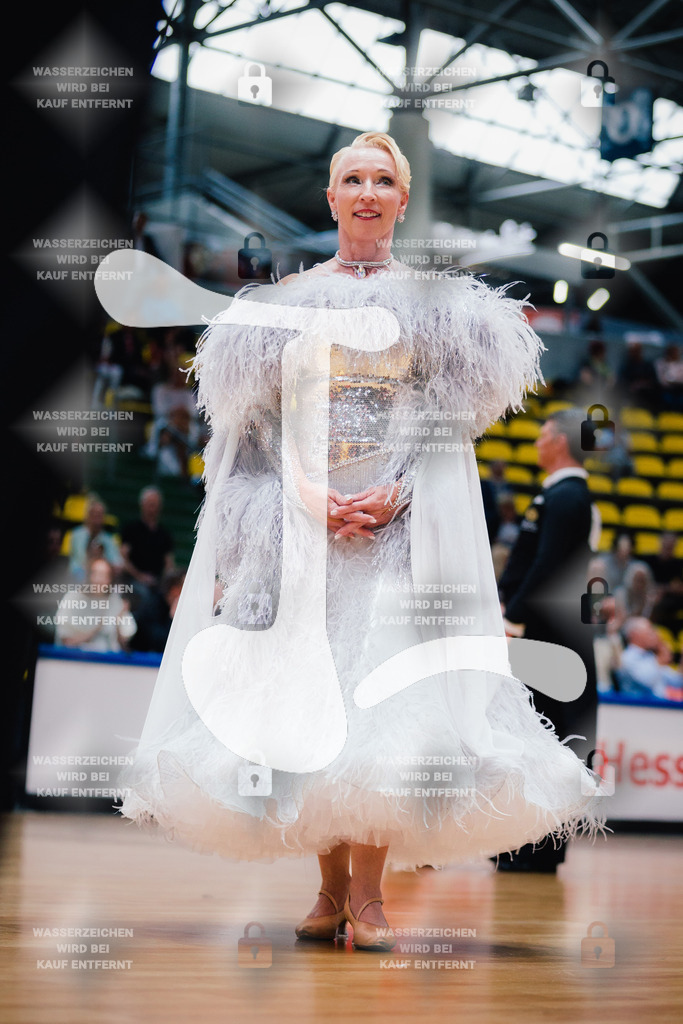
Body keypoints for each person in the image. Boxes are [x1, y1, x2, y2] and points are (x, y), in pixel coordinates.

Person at [117, 132, 603, 950]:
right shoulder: (279, 307)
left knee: (390, 712)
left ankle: (372, 898)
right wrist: (310, 500)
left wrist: (397, 492)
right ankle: (328, 889)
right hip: (304, 542)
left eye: (383, 179)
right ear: (332, 198)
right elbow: (256, 434)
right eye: (353, 179)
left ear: (401, 200)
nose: (368, 192)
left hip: (398, 542)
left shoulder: (441, 311)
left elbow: (448, 427)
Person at [496, 407, 600, 871]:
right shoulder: (561, 497)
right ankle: (522, 842)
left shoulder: (569, 499)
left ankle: (537, 848)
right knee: (534, 733)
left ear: (559, 441)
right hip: (547, 636)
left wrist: (513, 617)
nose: (535, 443)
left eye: (541, 434)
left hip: (552, 641)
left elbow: (549, 568)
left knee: (548, 735)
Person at [55, 558, 136, 653]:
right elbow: (67, 642)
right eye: (95, 574)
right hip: (75, 660)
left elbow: (124, 645)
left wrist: (119, 620)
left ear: (110, 579)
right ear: (88, 576)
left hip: (108, 662)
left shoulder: (115, 601)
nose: (99, 580)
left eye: (104, 575)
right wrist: (97, 628)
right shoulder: (72, 598)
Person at [120, 486, 175, 596]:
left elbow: (169, 563)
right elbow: (123, 558)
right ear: (142, 505)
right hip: (134, 580)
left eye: (155, 505)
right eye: (150, 504)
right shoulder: (131, 529)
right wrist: (140, 576)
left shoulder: (164, 534)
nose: (152, 508)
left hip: (157, 582)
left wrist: (164, 581)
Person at [618, 617, 682, 700]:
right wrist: (660, 660)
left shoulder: (651, 657)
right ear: (634, 634)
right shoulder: (627, 658)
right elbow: (647, 681)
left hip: (659, 706)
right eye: (649, 630)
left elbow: (677, 681)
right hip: (638, 708)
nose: (654, 634)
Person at [67, 495, 123, 582]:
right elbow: (80, 559)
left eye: (100, 515)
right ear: (88, 516)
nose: (97, 518)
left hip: (102, 574)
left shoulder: (109, 539)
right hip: (80, 573)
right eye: (94, 514)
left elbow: (117, 561)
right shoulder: (77, 535)